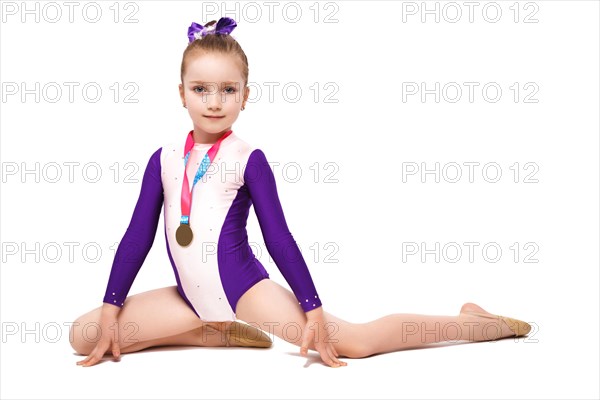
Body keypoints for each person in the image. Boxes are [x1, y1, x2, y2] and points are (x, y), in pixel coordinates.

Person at [70, 17, 532, 368]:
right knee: (85, 335)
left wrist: (312, 308)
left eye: (228, 89)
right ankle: (213, 331)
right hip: (188, 297)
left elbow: (279, 238)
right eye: (201, 89)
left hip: (245, 290)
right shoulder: (164, 158)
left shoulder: (249, 158)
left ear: (245, 96)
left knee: (356, 342)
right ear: (182, 93)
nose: (214, 101)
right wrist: (113, 307)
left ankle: (477, 322)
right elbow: (137, 237)